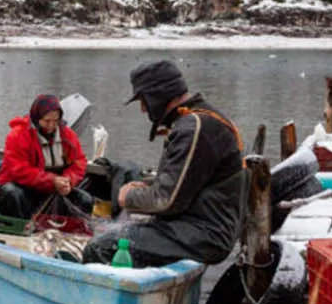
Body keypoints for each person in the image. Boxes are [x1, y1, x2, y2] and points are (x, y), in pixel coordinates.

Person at [82, 59, 247, 268]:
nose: (143, 109)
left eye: (144, 100)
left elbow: (166, 201)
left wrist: (127, 196)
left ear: (157, 95)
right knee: (124, 231)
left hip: (204, 233)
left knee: (101, 247)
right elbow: (184, 186)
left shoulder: (193, 127)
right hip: (201, 226)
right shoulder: (202, 119)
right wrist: (148, 188)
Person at [0, 94, 93, 220]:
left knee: (85, 200)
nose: (51, 126)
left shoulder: (68, 135)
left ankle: (68, 230)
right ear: (36, 117)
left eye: (55, 121)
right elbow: (19, 171)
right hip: (23, 188)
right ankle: (21, 230)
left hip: (53, 189)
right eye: (47, 121)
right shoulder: (17, 135)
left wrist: (68, 181)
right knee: (11, 194)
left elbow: (79, 162)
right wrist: (52, 181)